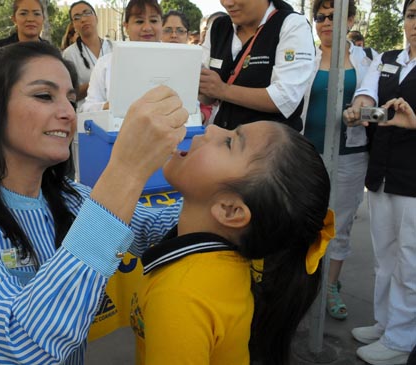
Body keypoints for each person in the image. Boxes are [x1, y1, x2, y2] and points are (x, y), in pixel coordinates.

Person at [0, 41, 187, 365]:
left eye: (71, 99)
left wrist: (220, 185)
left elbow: (158, 225)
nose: (68, 112)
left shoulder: (73, 198)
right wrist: (126, 169)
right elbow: (18, 344)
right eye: (44, 96)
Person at [131, 121, 333, 365]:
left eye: (229, 143)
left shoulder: (180, 296)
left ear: (230, 210)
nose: (212, 128)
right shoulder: (233, 260)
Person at [343, 0, 416, 363]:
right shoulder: (388, 58)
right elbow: (368, 90)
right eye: (413, 14)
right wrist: (359, 106)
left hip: (414, 179)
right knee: (385, 253)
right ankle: (385, 323)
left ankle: (402, 340)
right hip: (383, 173)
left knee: (410, 260)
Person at [302, 0, 375, 321]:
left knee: (340, 223)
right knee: (305, 222)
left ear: (352, 18)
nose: (327, 22)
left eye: (336, 15)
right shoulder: (305, 58)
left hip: (350, 156)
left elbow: (372, 100)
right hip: (307, 155)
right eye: (320, 16)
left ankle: (330, 285)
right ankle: (304, 285)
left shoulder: (366, 61)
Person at [199, 0, 315, 131]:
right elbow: (207, 97)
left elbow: (285, 98)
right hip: (224, 141)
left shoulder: (291, 24)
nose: (227, 3)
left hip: (269, 145)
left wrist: (223, 90)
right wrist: (200, 86)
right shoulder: (218, 28)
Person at [79, 0, 163, 112]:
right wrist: (112, 106)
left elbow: (192, 105)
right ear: (126, 26)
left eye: (153, 20)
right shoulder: (105, 64)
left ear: (161, 24)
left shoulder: (176, 61)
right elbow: (88, 107)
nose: (147, 27)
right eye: (139, 21)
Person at [63, 1, 113, 106]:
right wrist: (96, 81)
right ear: (74, 25)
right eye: (77, 17)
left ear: (96, 18)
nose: (83, 19)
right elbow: (68, 94)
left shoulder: (113, 47)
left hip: (115, 113)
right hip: (86, 115)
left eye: (87, 13)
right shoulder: (69, 54)